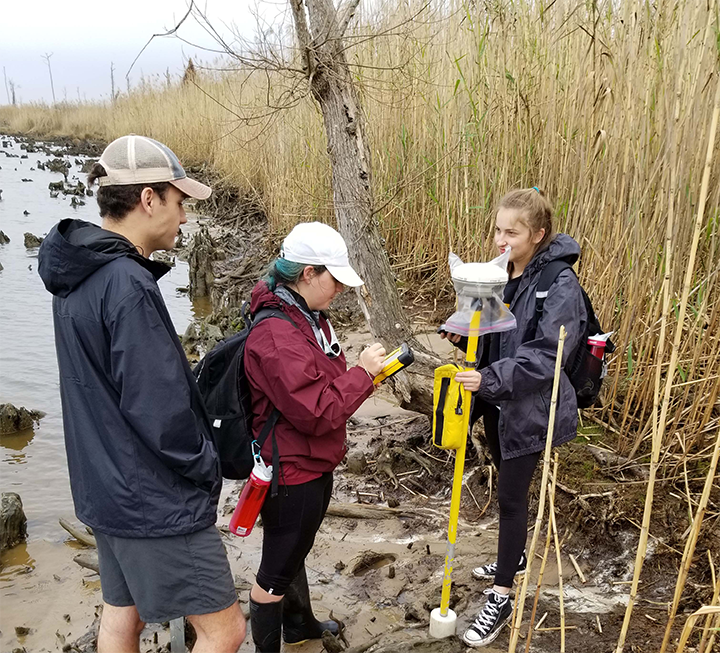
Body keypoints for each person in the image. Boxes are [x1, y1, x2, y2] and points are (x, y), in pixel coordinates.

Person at [38, 135, 246, 653]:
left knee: (121, 617)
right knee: (224, 630)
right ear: (148, 199)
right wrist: (206, 467)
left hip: (104, 489)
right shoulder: (127, 283)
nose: (184, 218)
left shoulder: (77, 275)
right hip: (153, 500)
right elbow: (159, 410)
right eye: (180, 203)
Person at [441, 188, 587, 647]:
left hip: (531, 408)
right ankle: (515, 558)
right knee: (505, 478)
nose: (501, 239)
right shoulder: (498, 272)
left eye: (512, 232)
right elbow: (487, 331)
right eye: (498, 229)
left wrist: (490, 380)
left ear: (538, 234)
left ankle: (502, 595)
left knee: (509, 496)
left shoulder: (559, 284)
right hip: (497, 401)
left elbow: (547, 355)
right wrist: (462, 331)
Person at [243, 222, 387, 653]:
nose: (340, 288)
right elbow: (318, 411)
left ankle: (300, 626)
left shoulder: (305, 317)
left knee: (294, 551)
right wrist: (363, 373)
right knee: (272, 575)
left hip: (308, 460)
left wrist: (361, 375)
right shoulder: (277, 334)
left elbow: (320, 385)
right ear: (307, 273)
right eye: (335, 279)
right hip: (292, 470)